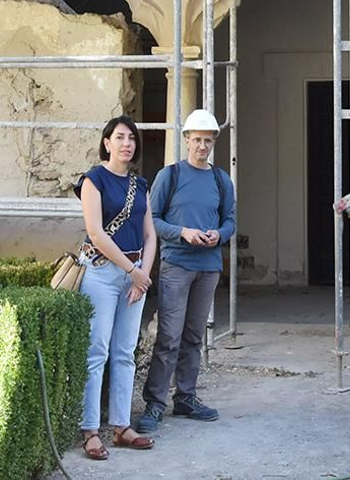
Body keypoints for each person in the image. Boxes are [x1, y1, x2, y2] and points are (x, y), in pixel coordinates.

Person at [135, 108, 237, 434]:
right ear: (187, 140)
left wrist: (219, 234)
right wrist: (183, 232)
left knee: (194, 336)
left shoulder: (221, 180)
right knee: (169, 336)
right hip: (176, 266)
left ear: (214, 142)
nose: (202, 146)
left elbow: (230, 220)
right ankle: (154, 403)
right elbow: (152, 220)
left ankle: (186, 397)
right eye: (197, 140)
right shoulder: (171, 176)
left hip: (208, 268)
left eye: (208, 141)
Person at [76, 115, 158, 460]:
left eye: (132, 138)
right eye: (120, 137)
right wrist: (132, 271)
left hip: (135, 274)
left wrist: (143, 275)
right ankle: (90, 430)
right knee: (97, 351)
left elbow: (150, 234)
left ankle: (122, 426)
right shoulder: (93, 181)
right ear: (107, 143)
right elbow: (96, 233)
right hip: (101, 274)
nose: (127, 143)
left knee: (126, 352)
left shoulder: (141, 185)